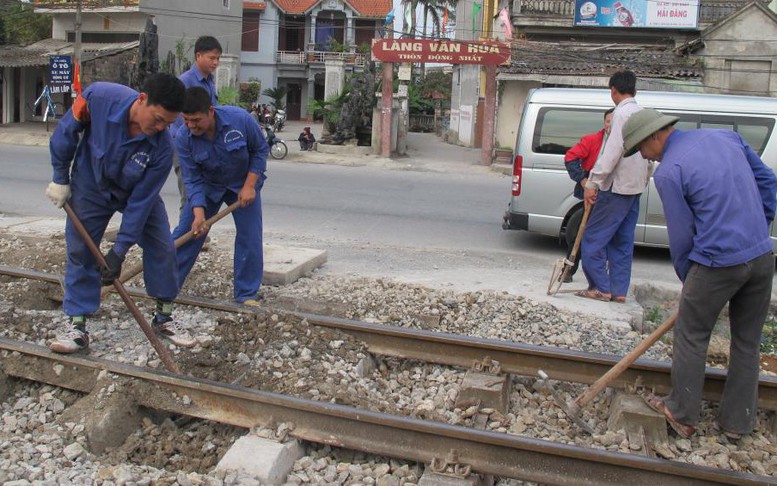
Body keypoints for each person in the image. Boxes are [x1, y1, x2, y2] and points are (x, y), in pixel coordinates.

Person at [622, 109, 777, 439]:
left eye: (640, 149)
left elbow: (682, 238)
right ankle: (737, 424)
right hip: (762, 255)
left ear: (655, 136)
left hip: (716, 262)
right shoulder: (725, 137)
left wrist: (689, 280)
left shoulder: (669, 172)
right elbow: (768, 181)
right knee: (747, 343)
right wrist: (759, 226)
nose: (643, 157)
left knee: (691, 334)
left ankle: (681, 413)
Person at [45, 73, 196, 353]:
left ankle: (164, 317)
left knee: (162, 246)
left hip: (134, 193)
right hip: (91, 185)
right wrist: (60, 177)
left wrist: (119, 251)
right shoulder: (97, 98)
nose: (162, 127)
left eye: (169, 123)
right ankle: (76, 326)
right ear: (142, 99)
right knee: (80, 250)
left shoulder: (163, 146)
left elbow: (141, 203)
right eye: (159, 118)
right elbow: (66, 132)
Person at [174, 87, 270, 305]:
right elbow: (192, 178)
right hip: (207, 187)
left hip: (242, 184)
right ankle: (166, 286)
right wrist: (199, 213)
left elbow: (260, 150)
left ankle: (246, 294)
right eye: (186, 120)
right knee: (188, 232)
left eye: (196, 120)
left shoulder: (240, 120)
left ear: (210, 111)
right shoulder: (183, 137)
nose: (191, 125)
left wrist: (249, 185)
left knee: (250, 236)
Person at [578, 70, 650, 303]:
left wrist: (593, 181)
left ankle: (600, 287)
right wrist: (645, 178)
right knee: (622, 241)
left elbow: (612, 152)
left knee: (593, 238)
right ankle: (619, 290)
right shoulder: (643, 114)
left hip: (616, 188)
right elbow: (650, 157)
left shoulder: (621, 115)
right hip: (635, 188)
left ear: (613, 91)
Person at [562, 108, 614, 281]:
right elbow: (570, 157)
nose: (611, 125)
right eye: (608, 121)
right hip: (592, 194)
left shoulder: (624, 143)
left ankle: (602, 277)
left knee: (608, 237)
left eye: (614, 121)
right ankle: (568, 270)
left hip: (613, 196)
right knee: (579, 232)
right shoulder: (592, 140)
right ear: (604, 122)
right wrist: (584, 181)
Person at [171, 36, 222, 210]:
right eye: (211, 58)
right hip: (186, 145)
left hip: (205, 144)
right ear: (198, 56)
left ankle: (197, 231)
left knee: (204, 194)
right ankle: (187, 234)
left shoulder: (210, 81)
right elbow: (177, 118)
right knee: (189, 195)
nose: (215, 63)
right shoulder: (185, 82)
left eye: (217, 58)